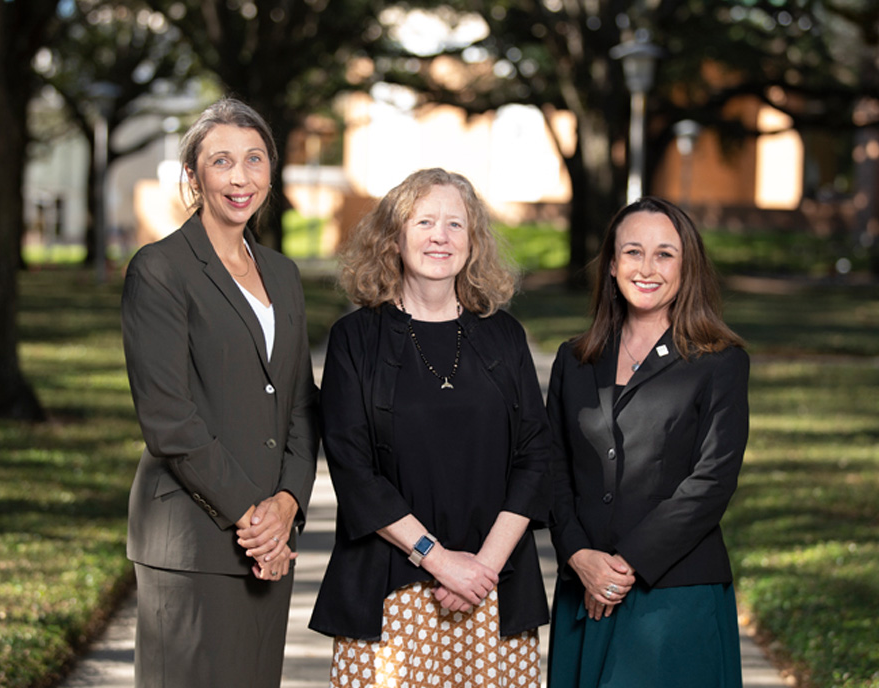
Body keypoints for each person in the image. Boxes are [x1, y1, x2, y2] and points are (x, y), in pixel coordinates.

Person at [309, 168, 551, 688]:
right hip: (390, 591)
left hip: (495, 589)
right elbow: (354, 471)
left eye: (454, 225)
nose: (439, 236)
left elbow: (536, 456)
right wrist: (441, 562)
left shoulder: (504, 335)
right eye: (424, 221)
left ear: (473, 242)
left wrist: (480, 569)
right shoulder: (355, 339)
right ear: (394, 237)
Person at [121, 97, 319, 688]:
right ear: (193, 176)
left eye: (255, 159)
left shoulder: (282, 274)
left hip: (269, 543)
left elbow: (300, 403)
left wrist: (287, 504)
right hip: (192, 540)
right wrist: (252, 516)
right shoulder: (159, 269)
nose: (241, 177)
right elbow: (168, 418)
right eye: (222, 161)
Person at [546, 197, 749, 687]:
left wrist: (624, 565)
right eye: (633, 252)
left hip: (674, 592)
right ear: (612, 264)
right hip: (584, 590)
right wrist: (578, 556)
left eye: (665, 254)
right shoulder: (573, 359)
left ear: (687, 266)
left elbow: (712, 481)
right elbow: (550, 467)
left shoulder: (719, 361)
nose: (647, 268)